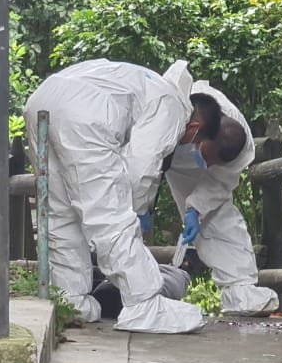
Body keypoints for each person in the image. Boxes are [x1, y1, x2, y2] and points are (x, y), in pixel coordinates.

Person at [23, 58, 221, 334]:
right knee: (110, 216)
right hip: (86, 113)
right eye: (193, 143)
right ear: (195, 127)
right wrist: (137, 209)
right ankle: (144, 304)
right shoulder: (173, 106)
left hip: (42, 98)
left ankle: (70, 298)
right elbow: (141, 167)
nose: (186, 146)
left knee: (61, 211)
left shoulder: (147, 82)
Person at [164, 80, 280, 317]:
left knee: (219, 218)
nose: (207, 163)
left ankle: (240, 293)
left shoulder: (238, 150)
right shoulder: (184, 108)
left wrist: (195, 210)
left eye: (213, 162)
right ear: (202, 132)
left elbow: (218, 182)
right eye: (207, 156)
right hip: (170, 150)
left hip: (204, 172)